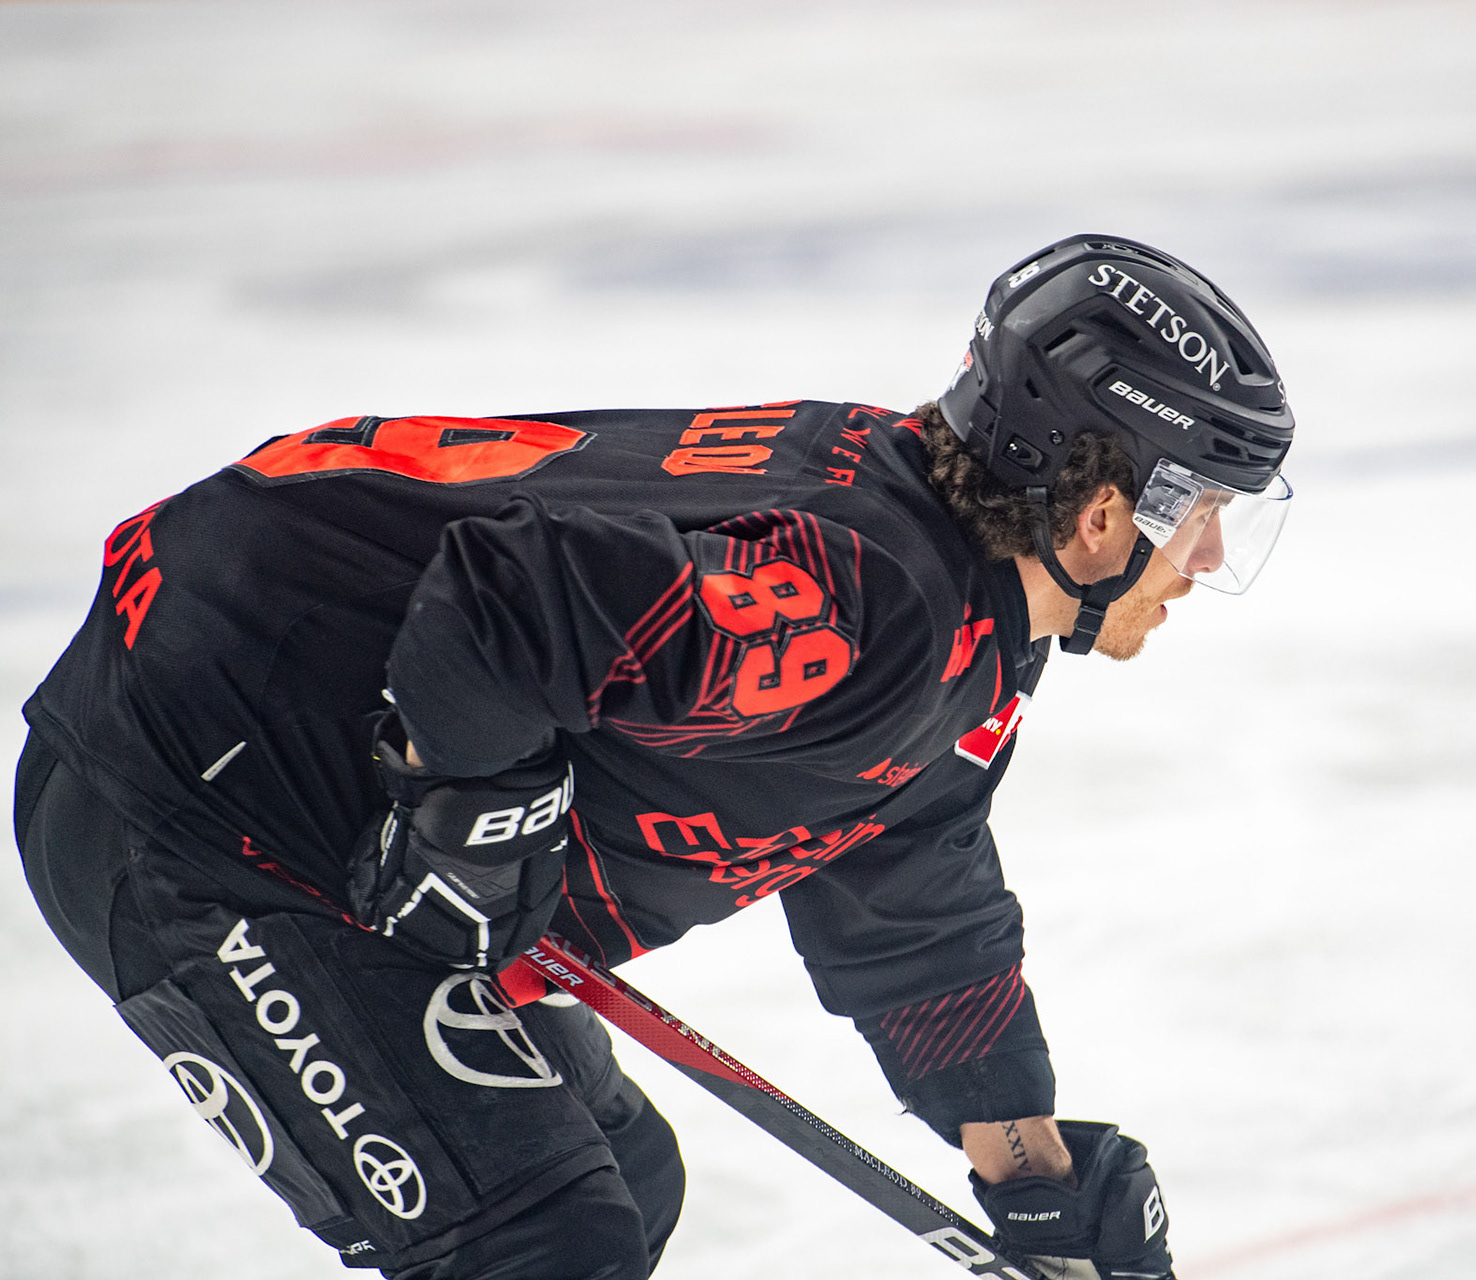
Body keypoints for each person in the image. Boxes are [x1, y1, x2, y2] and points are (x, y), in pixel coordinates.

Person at [14, 233, 1294, 1279]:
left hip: (313, 790)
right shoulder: (868, 605)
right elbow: (517, 594)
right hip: (188, 793)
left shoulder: (956, 616)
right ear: (1106, 508)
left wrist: (1033, 1175)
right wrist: (478, 809)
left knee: (620, 1182)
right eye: (1209, 513)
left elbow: (914, 908)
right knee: (537, 1242)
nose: (1212, 560)